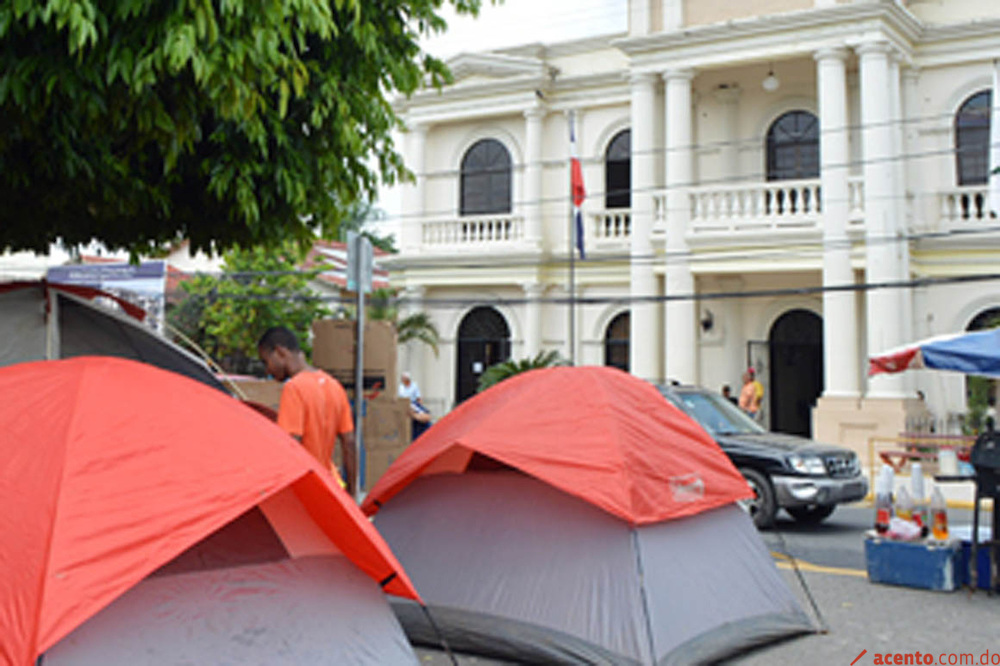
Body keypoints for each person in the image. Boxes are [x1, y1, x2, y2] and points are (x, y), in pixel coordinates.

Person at [257, 326, 357, 496]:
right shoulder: (334, 385)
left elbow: (290, 446)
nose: (268, 370)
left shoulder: (294, 388)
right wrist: (352, 493)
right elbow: (349, 443)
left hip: (305, 488)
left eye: (266, 362)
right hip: (330, 485)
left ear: (280, 352)